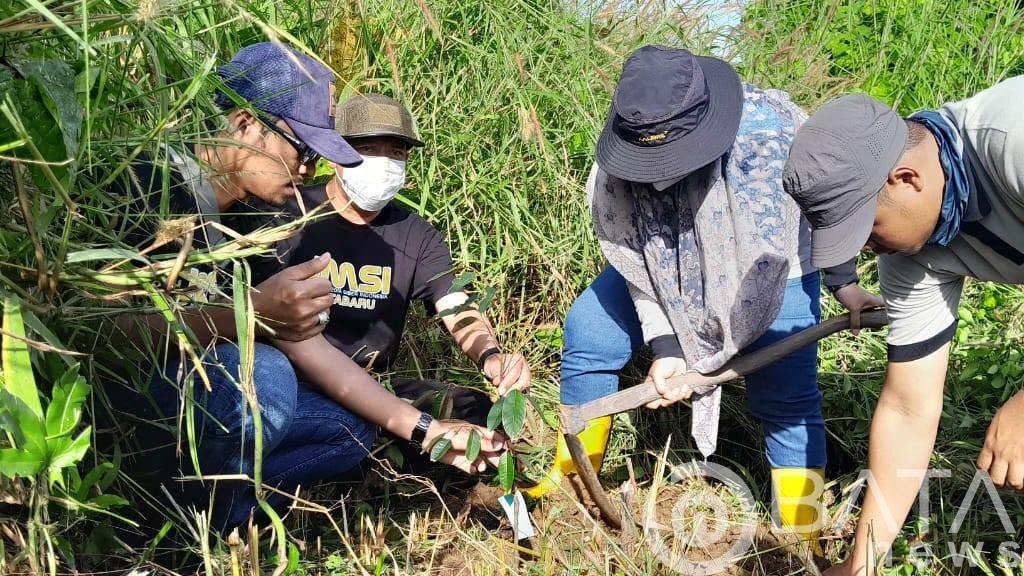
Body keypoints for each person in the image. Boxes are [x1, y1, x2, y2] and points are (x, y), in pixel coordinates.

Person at [109, 44, 504, 532]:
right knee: (266, 374)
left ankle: (209, 505)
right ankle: (191, 521)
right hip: (134, 409)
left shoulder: (226, 221)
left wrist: (428, 427)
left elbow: (306, 340)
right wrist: (250, 313)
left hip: (232, 393)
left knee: (350, 429)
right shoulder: (153, 185)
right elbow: (102, 336)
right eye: (305, 150)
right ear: (246, 124)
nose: (309, 169)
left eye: (397, 151)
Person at [525, 46, 881, 550]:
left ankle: (802, 533)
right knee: (590, 329)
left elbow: (824, 208)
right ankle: (571, 486)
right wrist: (667, 343)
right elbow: (635, 257)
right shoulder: (617, 161)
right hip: (662, 267)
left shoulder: (774, 134)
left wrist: (843, 282)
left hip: (771, 268)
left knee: (786, 392)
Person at [782, 76, 1024, 574]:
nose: (864, 249)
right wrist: (862, 564)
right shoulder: (912, 255)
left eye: (866, 229)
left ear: (907, 179)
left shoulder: (1012, 137)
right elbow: (909, 409)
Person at [241, 93, 532, 462]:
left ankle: (388, 446)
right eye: (367, 148)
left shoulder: (417, 235)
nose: (384, 161)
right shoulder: (287, 214)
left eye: (396, 151)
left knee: (474, 412)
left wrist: (490, 355)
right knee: (347, 426)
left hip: (374, 385)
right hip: (292, 377)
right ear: (336, 154)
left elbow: (455, 303)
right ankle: (369, 447)